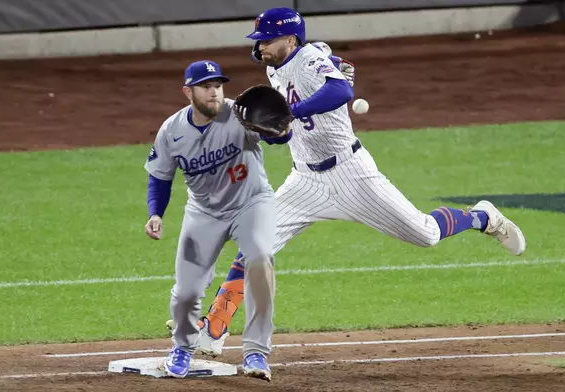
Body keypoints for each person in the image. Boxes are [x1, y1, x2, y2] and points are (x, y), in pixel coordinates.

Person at [186, 7, 526, 357]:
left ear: (290, 39)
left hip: (352, 175)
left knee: (425, 234)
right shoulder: (275, 69)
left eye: (267, 40)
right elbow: (287, 134)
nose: (260, 48)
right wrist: (272, 130)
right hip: (305, 181)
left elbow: (339, 93)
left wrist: (295, 110)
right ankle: (215, 328)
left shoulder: (307, 59)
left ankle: (482, 217)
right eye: (258, 41)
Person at [144, 59, 290, 381]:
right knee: (187, 291)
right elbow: (160, 177)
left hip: (251, 203)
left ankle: (256, 352)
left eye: (218, 86)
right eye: (206, 87)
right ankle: (182, 346)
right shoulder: (172, 131)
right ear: (188, 92)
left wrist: (281, 132)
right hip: (204, 212)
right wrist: (155, 213)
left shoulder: (240, 114)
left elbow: (278, 137)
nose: (214, 93)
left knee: (260, 259)